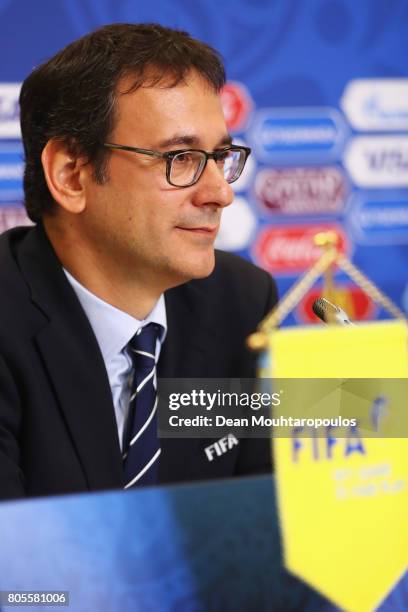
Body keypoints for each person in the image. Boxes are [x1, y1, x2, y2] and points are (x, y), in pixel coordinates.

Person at [0, 23, 278, 500]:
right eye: (182, 158)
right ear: (71, 175)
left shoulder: (240, 301)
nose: (220, 193)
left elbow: (259, 517)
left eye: (220, 156)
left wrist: (366, 402)